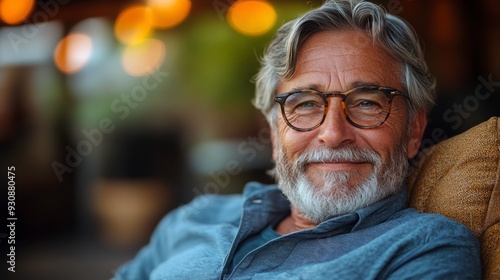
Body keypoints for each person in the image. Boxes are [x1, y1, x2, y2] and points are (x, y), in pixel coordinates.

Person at [114, 0, 481, 279]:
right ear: (275, 133)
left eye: (367, 102)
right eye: (304, 103)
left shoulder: (425, 248)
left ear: (414, 130)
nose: (334, 134)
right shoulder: (195, 218)